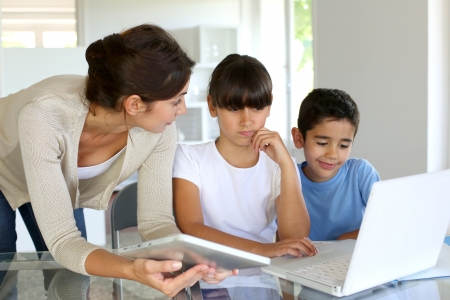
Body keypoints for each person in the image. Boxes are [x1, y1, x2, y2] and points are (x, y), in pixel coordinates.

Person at [0, 24, 218, 297]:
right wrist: (132, 268)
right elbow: (63, 240)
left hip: (54, 174)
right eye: (176, 100)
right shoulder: (44, 116)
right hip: (3, 165)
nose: (183, 110)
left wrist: (188, 260)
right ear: (135, 104)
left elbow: (156, 221)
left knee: (72, 278)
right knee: (3, 272)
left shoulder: (159, 130)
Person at [172, 54, 317, 276]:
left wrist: (287, 164)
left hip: (265, 278)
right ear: (212, 105)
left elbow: (295, 237)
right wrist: (264, 250)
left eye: (257, 108)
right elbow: (191, 228)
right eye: (233, 108)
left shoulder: (280, 164)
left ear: (269, 105)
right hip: (209, 277)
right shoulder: (190, 157)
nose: (246, 120)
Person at [291, 88, 380, 241]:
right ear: (299, 138)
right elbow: (285, 239)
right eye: (322, 143)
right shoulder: (288, 179)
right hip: (305, 263)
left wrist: (342, 240)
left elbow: (386, 222)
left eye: (343, 146)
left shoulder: (360, 173)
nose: (332, 155)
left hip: (352, 261)